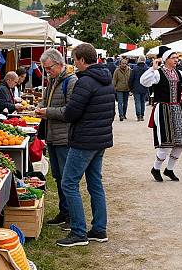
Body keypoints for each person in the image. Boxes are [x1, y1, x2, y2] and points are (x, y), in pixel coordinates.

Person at [56, 43, 115, 247]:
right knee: (95, 183)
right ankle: (99, 229)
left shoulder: (86, 82)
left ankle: (78, 232)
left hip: (85, 140)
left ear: (81, 60)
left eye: (74, 59)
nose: (74, 63)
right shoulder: (106, 79)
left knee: (69, 183)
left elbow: (72, 112)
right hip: (100, 139)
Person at [140, 46, 182, 182]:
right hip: (163, 109)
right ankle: (156, 168)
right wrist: (152, 69)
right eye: (173, 58)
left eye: (176, 58)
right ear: (166, 59)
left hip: (176, 109)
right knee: (166, 144)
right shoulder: (158, 73)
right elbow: (143, 82)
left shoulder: (179, 73)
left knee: (180, 143)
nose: (176, 60)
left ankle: (169, 169)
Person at [35, 49, 77, 229]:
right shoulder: (53, 80)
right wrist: (40, 108)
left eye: (49, 68)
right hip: (52, 135)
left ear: (59, 64)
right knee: (58, 176)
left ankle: (71, 216)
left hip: (64, 136)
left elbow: (70, 111)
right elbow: (46, 102)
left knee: (66, 178)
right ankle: (64, 211)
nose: (47, 72)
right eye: (45, 69)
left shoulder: (71, 81)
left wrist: (48, 112)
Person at [129, 55, 149, 121]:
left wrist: (130, 88)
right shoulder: (147, 69)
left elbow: (131, 79)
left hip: (136, 87)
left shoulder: (135, 68)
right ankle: (142, 115)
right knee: (142, 102)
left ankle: (139, 116)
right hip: (144, 87)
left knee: (137, 102)